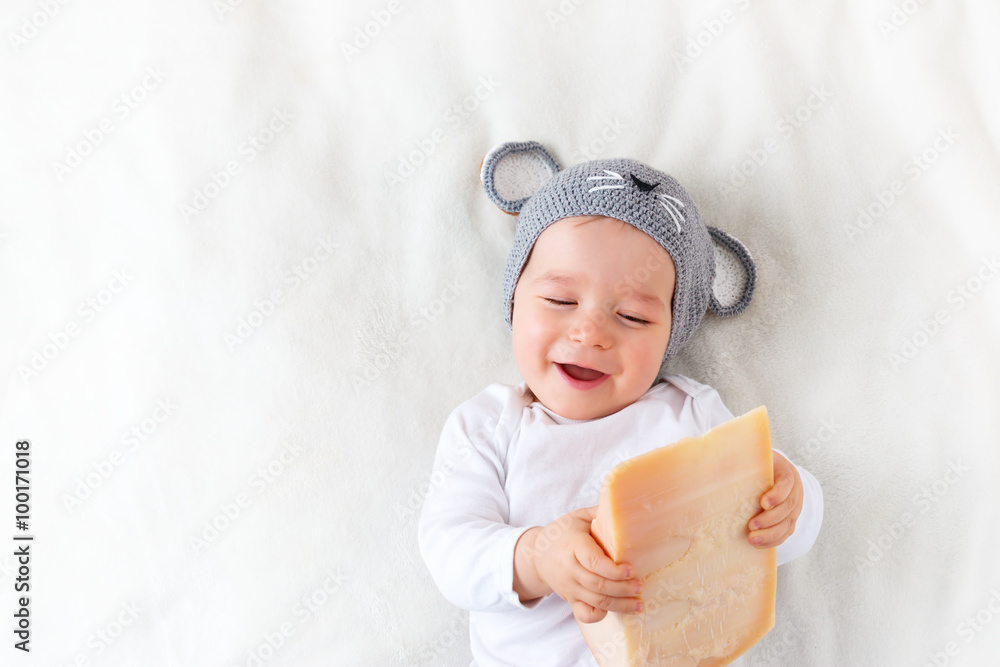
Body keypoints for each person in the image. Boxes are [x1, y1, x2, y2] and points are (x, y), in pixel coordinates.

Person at [418, 141, 823, 667]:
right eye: (560, 301)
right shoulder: (490, 426)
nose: (589, 331)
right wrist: (537, 557)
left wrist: (790, 499)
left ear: (671, 337)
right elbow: (450, 549)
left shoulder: (690, 416)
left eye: (632, 316)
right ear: (514, 300)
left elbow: (773, 542)